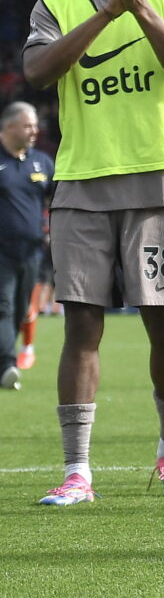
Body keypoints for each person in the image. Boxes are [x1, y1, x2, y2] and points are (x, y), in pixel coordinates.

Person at [21, 0, 164, 504]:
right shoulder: (56, 4)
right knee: (81, 327)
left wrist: (141, 11)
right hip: (81, 184)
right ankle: (78, 471)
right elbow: (38, 73)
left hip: (155, 182)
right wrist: (107, 15)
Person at [0, 102, 56, 390]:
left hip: (32, 251)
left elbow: (58, 199)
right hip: (1, 251)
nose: (34, 130)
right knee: (4, 306)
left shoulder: (43, 162)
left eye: (34, 125)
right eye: (27, 125)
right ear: (8, 127)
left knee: (21, 309)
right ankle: (7, 364)